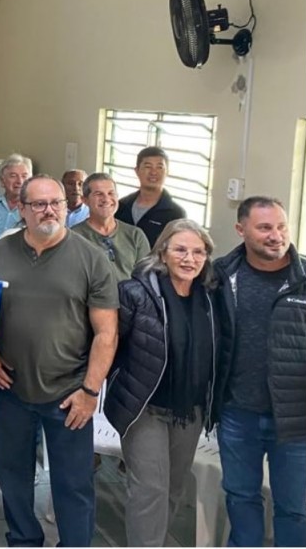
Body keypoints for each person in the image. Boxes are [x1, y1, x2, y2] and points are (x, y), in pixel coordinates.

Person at [0, 174, 118, 547]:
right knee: (11, 474)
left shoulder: (91, 258)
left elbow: (107, 334)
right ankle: (23, 538)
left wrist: (90, 392)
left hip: (69, 393)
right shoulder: (0, 253)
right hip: (10, 388)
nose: (49, 210)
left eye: (56, 203)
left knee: (73, 482)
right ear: (21, 209)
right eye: (39, 204)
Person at [104, 220, 217, 546]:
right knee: (149, 489)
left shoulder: (212, 298)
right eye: (180, 250)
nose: (189, 259)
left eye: (198, 252)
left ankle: (155, 540)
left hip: (189, 410)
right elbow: (110, 344)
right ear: (162, 253)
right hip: (144, 406)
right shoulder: (135, 292)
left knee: (173, 487)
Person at [211, 196, 306, 547]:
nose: (276, 235)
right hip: (237, 414)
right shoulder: (221, 276)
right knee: (241, 498)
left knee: (293, 509)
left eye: (281, 226)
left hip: (296, 420)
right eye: (265, 227)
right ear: (241, 230)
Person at [72, 173, 150, 282]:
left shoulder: (135, 235)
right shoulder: (73, 237)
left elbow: (146, 279)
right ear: (85, 200)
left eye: (111, 193)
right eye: (98, 194)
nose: (106, 199)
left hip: (130, 293)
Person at [115, 147, 186, 246]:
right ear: (137, 170)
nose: (153, 172)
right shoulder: (121, 205)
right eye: (148, 167)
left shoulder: (176, 214)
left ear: (167, 172)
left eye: (159, 167)